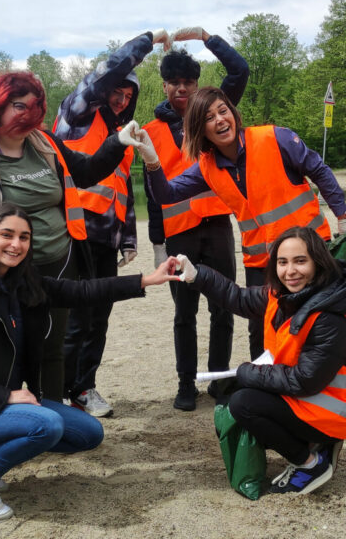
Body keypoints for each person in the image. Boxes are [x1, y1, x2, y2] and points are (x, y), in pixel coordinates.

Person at [0, 204, 180, 525]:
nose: (16, 244)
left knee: (89, 433)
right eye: (7, 235)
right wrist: (6, 396)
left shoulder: (22, 283)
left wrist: (146, 280)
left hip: (0, 405)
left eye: (24, 237)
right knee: (48, 426)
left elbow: (82, 291)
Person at [0, 70, 134, 401]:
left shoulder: (46, 144)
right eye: (18, 105)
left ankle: (53, 414)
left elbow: (86, 171)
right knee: (6, 348)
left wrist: (118, 142)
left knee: (52, 348)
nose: (27, 115)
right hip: (5, 273)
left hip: (60, 264)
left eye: (34, 107)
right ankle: (11, 413)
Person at [140, 87, 346, 363]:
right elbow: (166, 194)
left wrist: (344, 216)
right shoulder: (206, 166)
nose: (220, 120)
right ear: (200, 129)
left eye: (223, 111)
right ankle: (267, 381)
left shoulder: (275, 138)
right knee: (260, 328)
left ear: (233, 113)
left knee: (318, 318)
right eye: (209, 117)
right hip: (260, 260)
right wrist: (152, 161)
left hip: (309, 250)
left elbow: (319, 169)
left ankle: (331, 373)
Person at [173, 226, 346, 495]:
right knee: (238, 394)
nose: (290, 271)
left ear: (319, 262)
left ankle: (310, 463)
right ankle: (315, 444)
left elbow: (304, 381)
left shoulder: (329, 318)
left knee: (243, 403)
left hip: (335, 412)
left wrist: (247, 372)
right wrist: (198, 275)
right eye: (282, 262)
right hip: (315, 396)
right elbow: (239, 298)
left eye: (300, 261)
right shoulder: (283, 295)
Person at [53, 29, 171, 417]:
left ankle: (83, 388)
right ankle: (57, 392)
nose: (121, 99)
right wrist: (148, 41)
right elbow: (106, 72)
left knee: (98, 319)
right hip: (72, 233)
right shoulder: (77, 115)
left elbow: (122, 188)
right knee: (74, 318)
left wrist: (128, 238)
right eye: (116, 92)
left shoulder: (123, 135)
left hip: (106, 237)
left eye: (128, 95)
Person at [141, 27, 249, 411]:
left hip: (217, 227)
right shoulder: (151, 132)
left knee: (223, 307)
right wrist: (157, 244)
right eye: (175, 82)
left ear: (196, 84)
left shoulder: (211, 115)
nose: (182, 88)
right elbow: (152, 193)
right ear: (165, 86)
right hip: (179, 234)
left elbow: (239, 71)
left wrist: (206, 37)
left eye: (188, 81)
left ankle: (217, 380)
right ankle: (186, 384)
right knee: (184, 313)